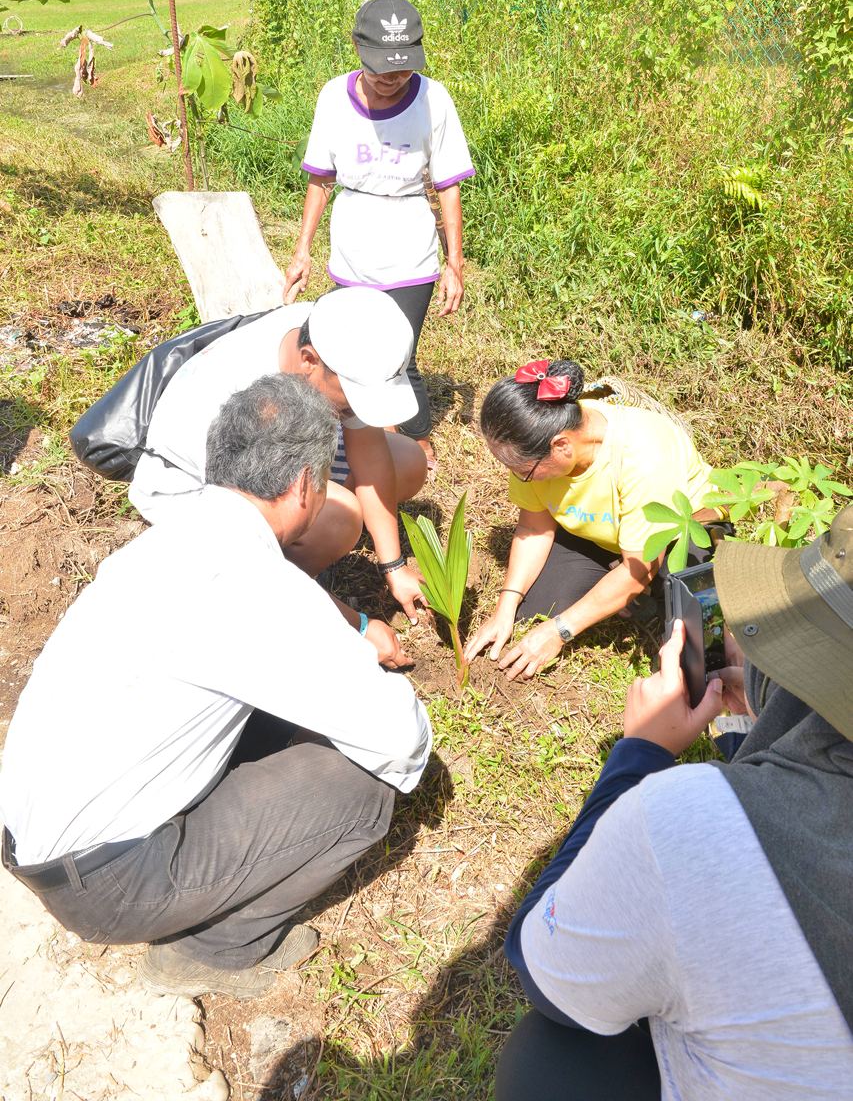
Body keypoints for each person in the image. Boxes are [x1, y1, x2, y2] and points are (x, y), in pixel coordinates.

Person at [0, 374, 433, 1000]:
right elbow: (400, 739)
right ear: (305, 484)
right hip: (106, 886)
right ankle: (214, 949)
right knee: (361, 788)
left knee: (279, 711)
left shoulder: (172, 540)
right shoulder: (254, 583)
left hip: (35, 834)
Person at [497, 502, 853, 1100]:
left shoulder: (691, 823)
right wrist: (758, 728)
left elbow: (541, 972)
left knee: (546, 1061)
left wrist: (640, 752)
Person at [129, 285, 429, 624]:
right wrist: (353, 624)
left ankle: (307, 542)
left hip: (268, 458)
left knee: (407, 461)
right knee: (340, 517)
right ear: (309, 361)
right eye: (351, 404)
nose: (354, 414)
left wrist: (393, 566)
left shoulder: (334, 337)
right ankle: (271, 596)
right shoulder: (243, 392)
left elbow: (370, 452)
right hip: (192, 490)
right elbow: (233, 517)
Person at [282, 0, 475, 469]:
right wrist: (302, 251)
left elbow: (448, 186)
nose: (393, 78)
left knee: (399, 355)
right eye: (382, 68)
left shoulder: (433, 99)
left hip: (409, 241)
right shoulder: (333, 97)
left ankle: (415, 443)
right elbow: (319, 181)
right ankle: (360, 442)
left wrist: (454, 263)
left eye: (403, 67)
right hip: (353, 242)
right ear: (358, 49)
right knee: (349, 349)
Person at [465, 358, 717, 679]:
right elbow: (533, 527)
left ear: (561, 446)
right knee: (537, 608)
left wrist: (560, 631)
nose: (518, 477)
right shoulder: (537, 435)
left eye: (523, 471)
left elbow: (639, 567)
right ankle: (619, 588)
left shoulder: (644, 455)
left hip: (679, 534)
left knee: (696, 652)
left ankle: (640, 591)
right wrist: (505, 606)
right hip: (601, 534)